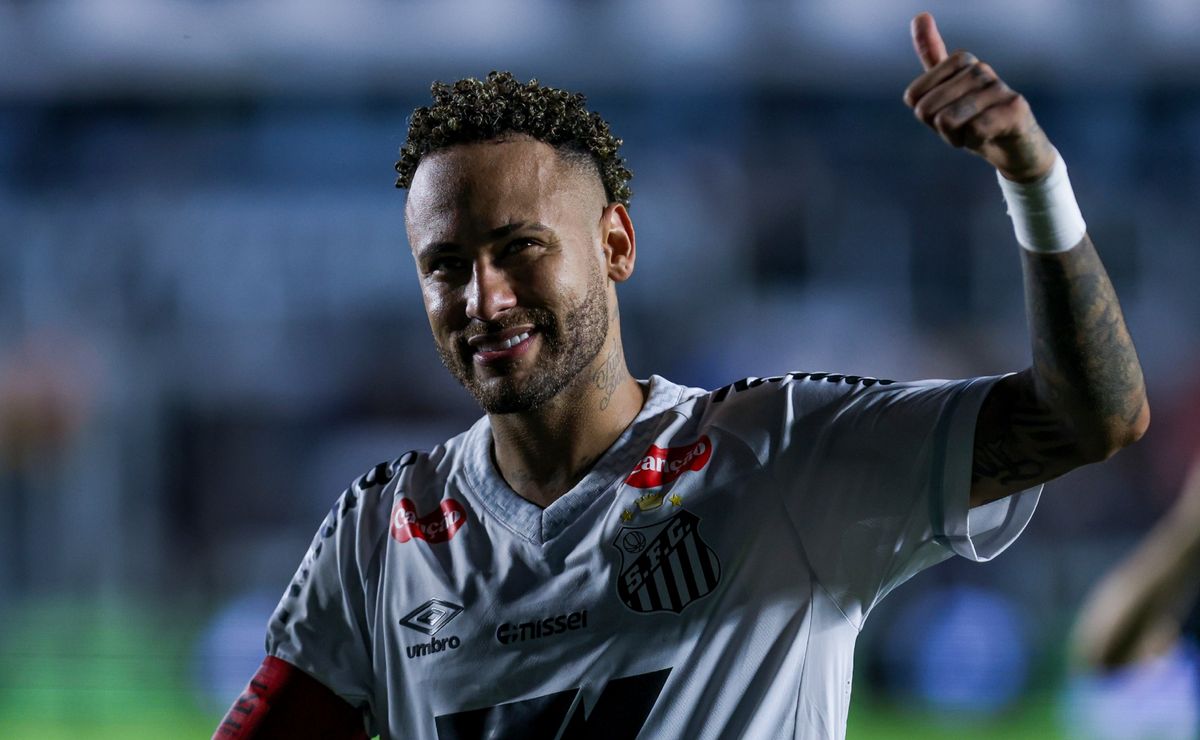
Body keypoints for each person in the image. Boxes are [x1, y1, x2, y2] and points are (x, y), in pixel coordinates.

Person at [215, 13, 1149, 739]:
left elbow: (1090, 418)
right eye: (445, 266)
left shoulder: (782, 457)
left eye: (520, 248)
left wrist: (1035, 181)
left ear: (616, 244)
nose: (483, 298)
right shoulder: (380, 536)